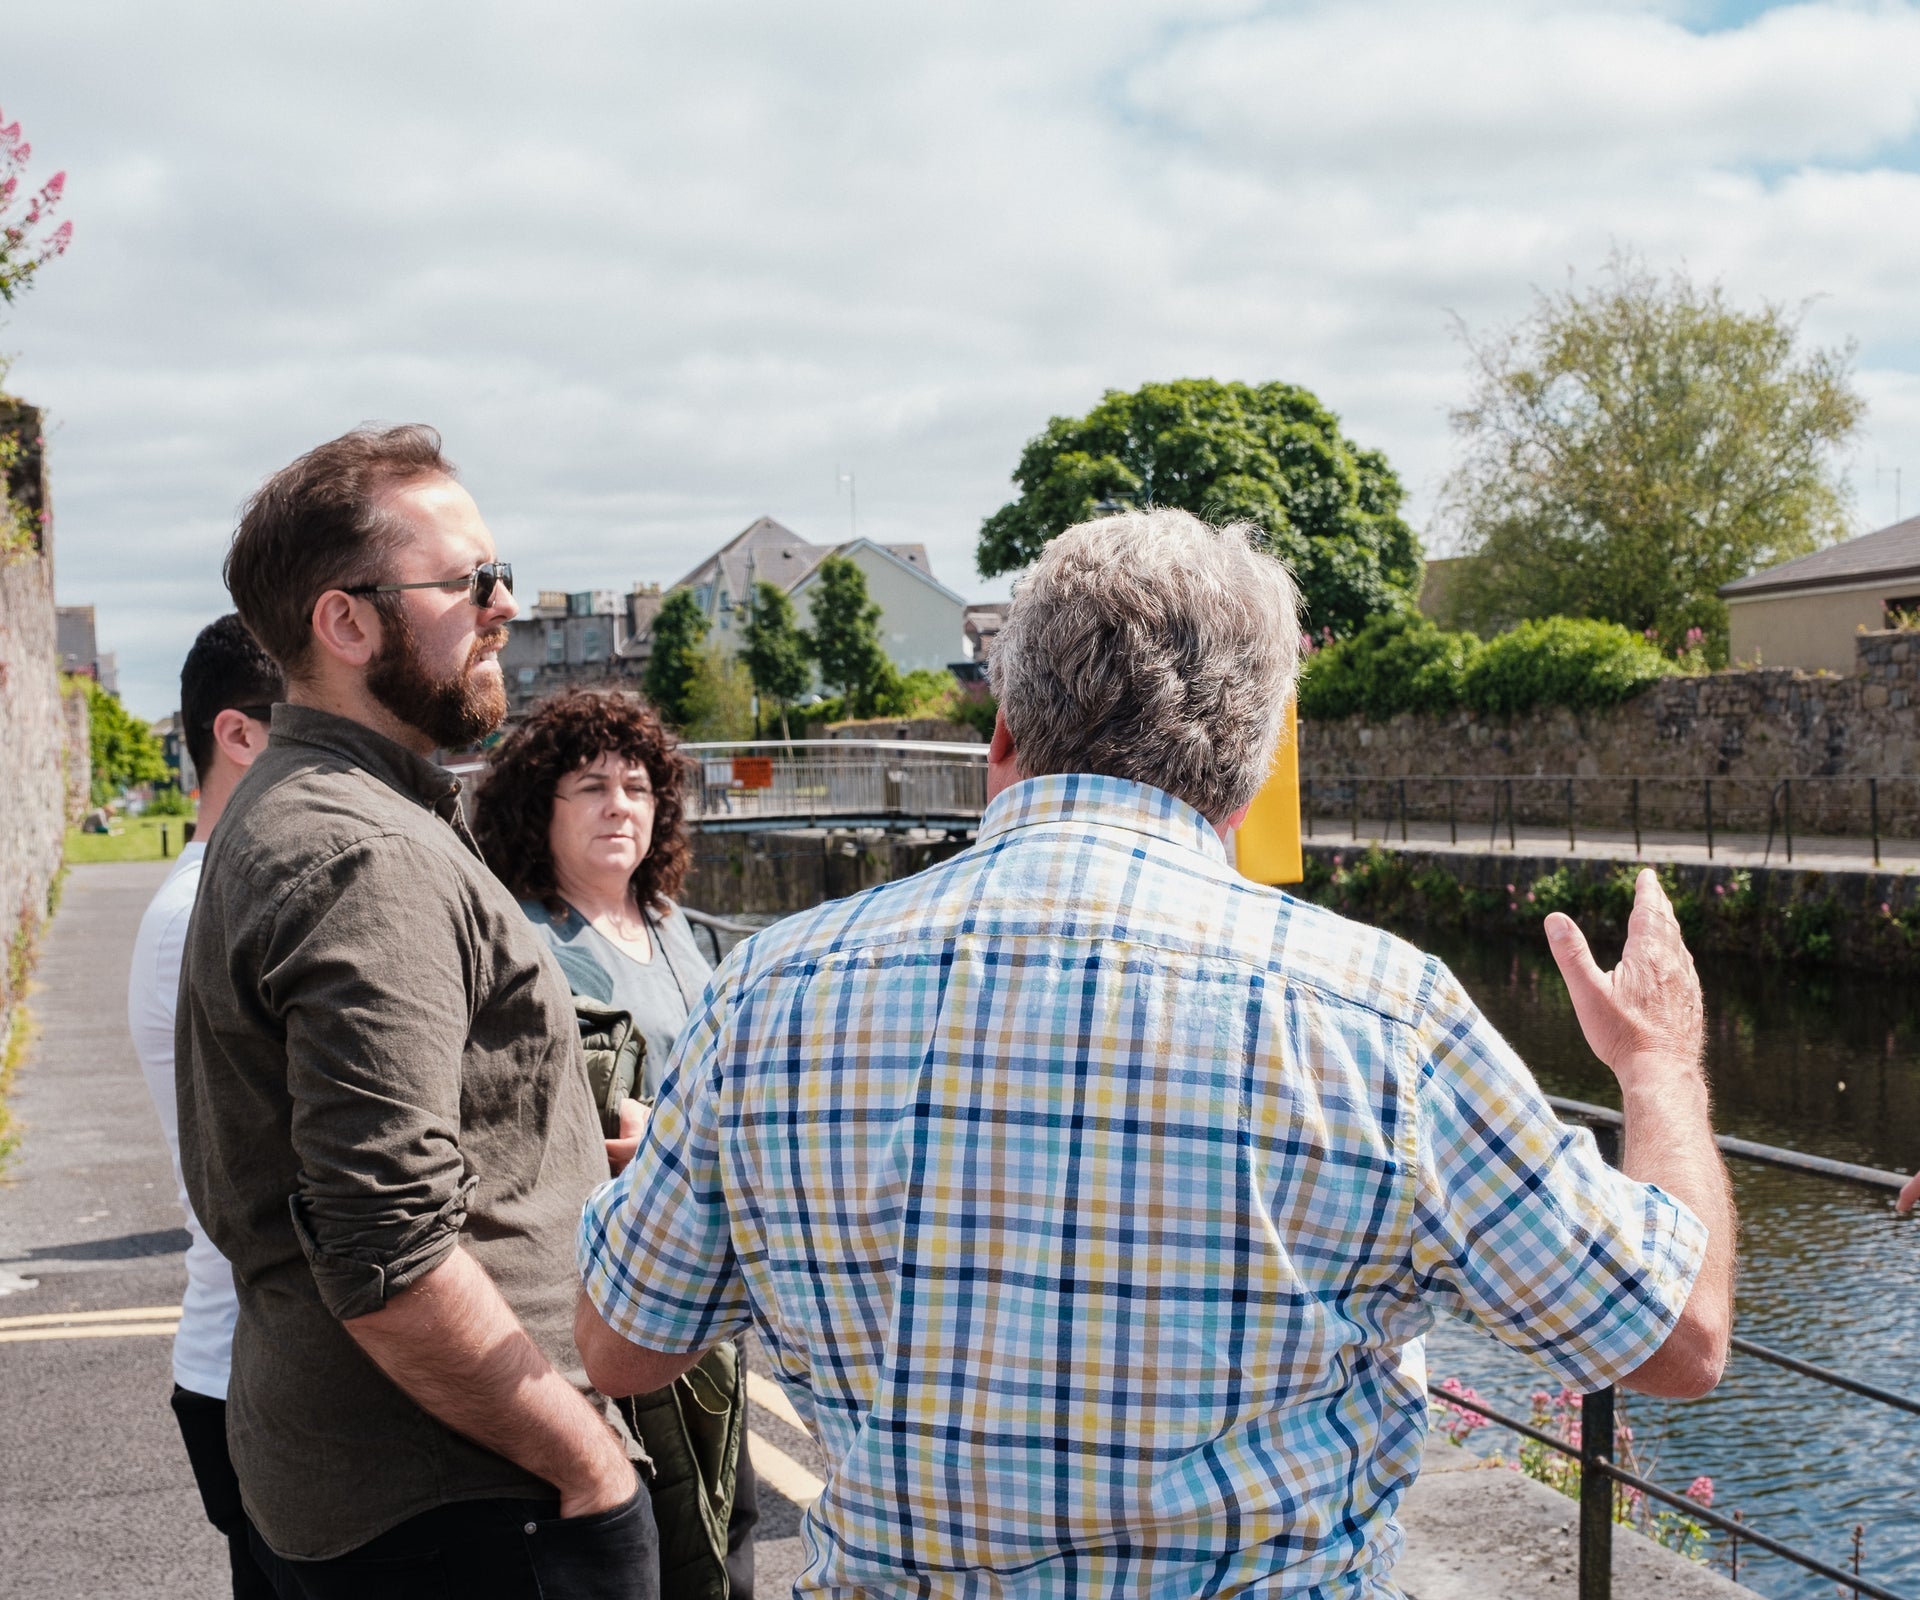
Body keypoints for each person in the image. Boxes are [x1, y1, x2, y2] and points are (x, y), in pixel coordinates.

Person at [574, 508, 1737, 1597]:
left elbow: (621, 1346)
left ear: (1003, 732)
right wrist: (1658, 1065)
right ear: (1252, 770)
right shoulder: (1383, 1013)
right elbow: (1679, 1336)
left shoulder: (770, 988)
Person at [176, 425, 654, 1599]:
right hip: (469, 1503)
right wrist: (589, 1467)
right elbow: (383, 1243)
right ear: (346, 624)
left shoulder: (320, 804)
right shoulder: (364, 854)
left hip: (386, 1483)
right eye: (470, 582)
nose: (503, 607)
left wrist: (568, 1140)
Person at [472, 686, 759, 1597]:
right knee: (663, 1527)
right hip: (596, 1284)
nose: (619, 807)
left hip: (697, 1268)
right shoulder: (527, 939)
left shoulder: (672, 924)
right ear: (540, 806)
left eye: (637, 788)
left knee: (728, 1514)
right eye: (591, 787)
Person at [128, 613, 283, 1600]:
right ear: (240, 735)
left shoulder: (229, 897)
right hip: (257, 1377)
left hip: (263, 1369)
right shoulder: (207, 912)